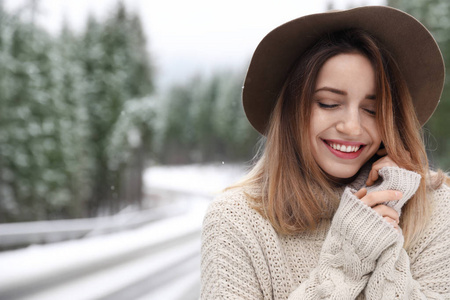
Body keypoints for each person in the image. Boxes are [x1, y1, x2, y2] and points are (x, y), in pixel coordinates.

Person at [201, 5, 450, 299]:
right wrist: (346, 262)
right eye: (329, 103)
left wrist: (387, 246)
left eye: (372, 109)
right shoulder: (236, 219)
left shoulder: (434, 208)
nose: (352, 127)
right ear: (292, 110)